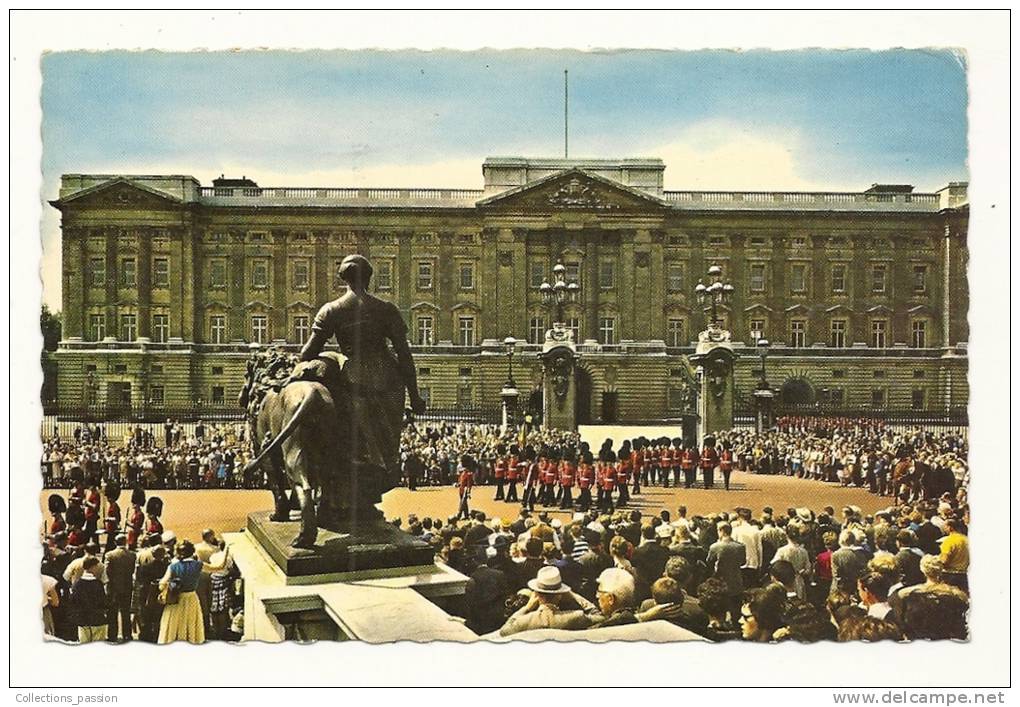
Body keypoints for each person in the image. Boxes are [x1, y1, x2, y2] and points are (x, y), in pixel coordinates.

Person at [299, 253, 427, 515]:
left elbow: (307, 354)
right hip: (388, 380)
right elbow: (404, 354)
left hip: (353, 378)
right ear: (369, 278)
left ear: (343, 279)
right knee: (384, 448)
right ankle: (366, 501)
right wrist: (415, 395)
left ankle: (340, 498)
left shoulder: (331, 310)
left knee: (351, 444)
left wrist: (330, 358)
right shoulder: (386, 309)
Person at [498, 566, 600, 636]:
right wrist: (573, 595)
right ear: (559, 595)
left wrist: (527, 608)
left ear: (536, 595)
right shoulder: (575, 617)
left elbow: (504, 631)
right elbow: (599, 616)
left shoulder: (523, 621)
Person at [158, 540, 206, 644]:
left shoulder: (172, 567)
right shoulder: (198, 565)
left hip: (176, 599)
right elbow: (219, 567)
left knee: (173, 626)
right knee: (191, 624)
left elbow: (161, 585)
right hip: (192, 598)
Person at [707, 522, 746, 622]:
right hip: (736, 581)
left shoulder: (715, 547)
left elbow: (709, 562)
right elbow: (743, 562)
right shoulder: (740, 546)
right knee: (736, 611)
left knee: (721, 609)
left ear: (721, 531)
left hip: (720, 581)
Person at [104, 533, 136, 642]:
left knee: (112, 613)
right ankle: (127, 634)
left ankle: (112, 635)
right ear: (125, 542)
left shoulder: (110, 555)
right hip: (127, 586)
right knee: (125, 612)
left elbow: (107, 571)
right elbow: (132, 570)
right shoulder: (132, 555)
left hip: (113, 588)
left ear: (115, 542)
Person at [69, 556, 108, 643]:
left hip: (82, 620)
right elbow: (104, 602)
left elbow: (73, 602)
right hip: (97, 620)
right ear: (93, 567)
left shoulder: (77, 584)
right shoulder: (98, 584)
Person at [456, 455, 475, 521]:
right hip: (461, 489)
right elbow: (461, 480)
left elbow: (469, 484)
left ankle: (459, 515)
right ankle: (466, 515)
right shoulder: (463, 472)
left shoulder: (469, 473)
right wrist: (458, 484)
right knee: (464, 503)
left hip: (465, 490)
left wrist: (468, 492)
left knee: (462, 503)